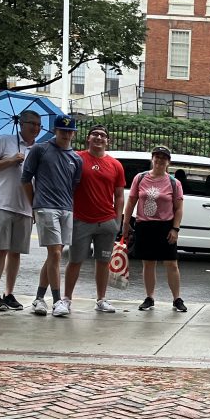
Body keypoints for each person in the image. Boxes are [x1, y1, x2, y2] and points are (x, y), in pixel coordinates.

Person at [21, 114, 83, 317]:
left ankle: (39, 298)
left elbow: (73, 184)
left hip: (66, 208)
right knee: (56, 253)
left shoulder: (76, 158)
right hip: (45, 206)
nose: (66, 134)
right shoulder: (41, 149)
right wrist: (34, 205)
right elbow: (25, 179)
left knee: (53, 255)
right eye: (62, 130)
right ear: (55, 131)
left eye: (69, 131)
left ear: (73, 133)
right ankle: (57, 301)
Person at [66, 124, 125, 313]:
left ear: (108, 141)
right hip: (80, 220)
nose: (99, 138)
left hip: (106, 221)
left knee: (103, 262)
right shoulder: (77, 158)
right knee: (75, 260)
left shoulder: (116, 165)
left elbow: (119, 195)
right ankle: (66, 299)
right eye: (95, 134)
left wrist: (117, 221)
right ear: (88, 138)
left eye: (103, 135)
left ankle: (101, 300)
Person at [0, 110, 41, 311]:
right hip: (3, 203)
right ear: (21, 124)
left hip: (25, 206)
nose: (35, 128)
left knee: (16, 252)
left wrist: (35, 206)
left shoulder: (38, 149)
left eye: (38, 125)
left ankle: (9, 293)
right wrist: (11, 160)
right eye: (31, 124)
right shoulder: (4, 141)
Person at [121, 146, 186, 312]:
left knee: (171, 263)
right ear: (152, 159)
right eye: (157, 157)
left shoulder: (174, 183)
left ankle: (177, 299)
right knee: (148, 264)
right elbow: (131, 202)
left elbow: (178, 208)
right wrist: (126, 223)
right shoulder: (140, 178)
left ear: (168, 162)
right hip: (144, 225)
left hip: (165, 226)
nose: (159, 160)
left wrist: (175, 229)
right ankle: (149, 297)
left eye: (163, 158)